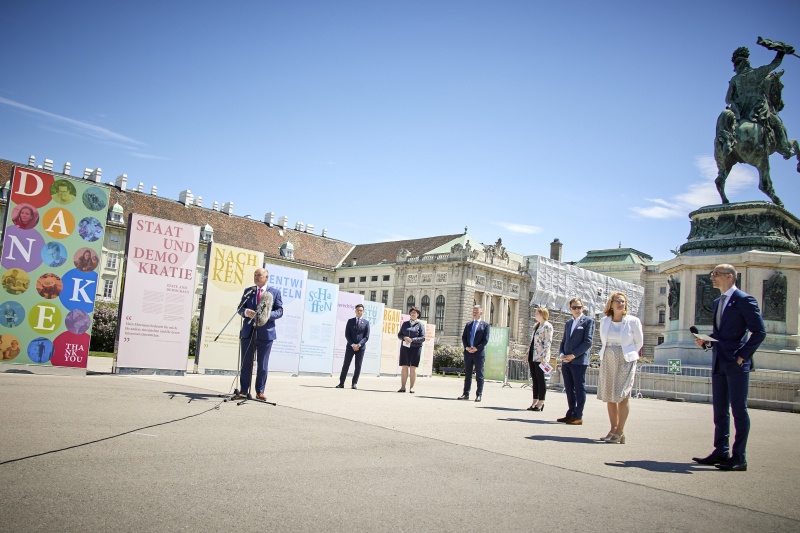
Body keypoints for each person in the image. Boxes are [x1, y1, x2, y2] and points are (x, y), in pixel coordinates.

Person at [693, 264, 765, 472]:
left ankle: (739, 457)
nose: (712, 278)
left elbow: (759, 332)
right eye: (712, 274)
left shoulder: (744, 300)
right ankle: (721, 451)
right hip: (718, 360)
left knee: (739, 410)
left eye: (715, 274)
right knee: (720, 411)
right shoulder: (718, 302)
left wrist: (744, 355)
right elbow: (721, 334)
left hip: (736, 363)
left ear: (730, 277)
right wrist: (707, 342)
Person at [596, 292, 643, 444]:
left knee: (622, 395)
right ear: (611, 304)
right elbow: (603, 340)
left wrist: (629, 354)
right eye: (617, 301)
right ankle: (613, 429)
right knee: (610, 395)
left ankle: (620, 430)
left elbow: (639, 342)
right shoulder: (605, 321)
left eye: (622, 301)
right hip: (608, 358)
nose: (620, 304)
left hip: (625, 360)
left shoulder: (632, 321)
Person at [236, 268, 284, 401]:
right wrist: (246, 312)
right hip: (248, 332)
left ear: (266, 277)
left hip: (266, 334)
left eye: (259, 275)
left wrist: (267, 315)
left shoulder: (274, 292)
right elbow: (240, 309)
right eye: (255, 275)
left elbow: (280, 311)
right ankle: (244, 390)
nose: (257, 277)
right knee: (246, 363)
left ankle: (260, 391)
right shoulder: (249, 291)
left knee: (262, 364)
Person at [557, 297, 595, 425]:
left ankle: (578, 415)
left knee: (579, 388)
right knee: (569, 388)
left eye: (579, 307)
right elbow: (564, 341)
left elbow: (588, 342)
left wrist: (573, 355)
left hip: (579, 361)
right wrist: (562, 354)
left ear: (583, 308)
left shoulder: (588, 321)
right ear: (570, 309)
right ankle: (571, 413)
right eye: (574, 307)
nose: (577, 310)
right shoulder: (568, 323)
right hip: (566, 360)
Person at [458, 305, 491, 402]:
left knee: (479, 375)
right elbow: (464, 337)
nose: (474, 313)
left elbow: (485, 340)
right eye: (473, 311)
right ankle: (465, 394)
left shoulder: (485, 325)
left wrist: (476, 348)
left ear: (481, 313)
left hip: (478, 353)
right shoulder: (468, 324)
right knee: (467, 374)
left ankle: (479, 395)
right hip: (468, 352)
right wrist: (467, 347)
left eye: (476, 311)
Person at [336, 303, 370, 389]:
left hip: (361, 348)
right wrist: (352, 344)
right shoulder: (350, 321)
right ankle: (341, 383)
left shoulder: (366, 323)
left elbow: (366, 337)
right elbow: (347, 334)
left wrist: (359, 345)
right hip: (350, 347)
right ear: (355, 311)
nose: (359, 312)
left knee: (358, 366)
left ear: (363, 312)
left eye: (361, 310)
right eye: (358, 310)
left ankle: (354, 383)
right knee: (346, 364)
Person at [526, 307, 553, 411]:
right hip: (533, 355)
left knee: (540, 379)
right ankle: (534, 400)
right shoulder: (537, 326)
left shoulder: (547, 326)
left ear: (542, 314)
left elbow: (548, 342)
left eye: (537, 313)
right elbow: (532, 342)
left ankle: (541, 402)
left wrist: (545, 357)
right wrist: (528, 354)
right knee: (535, 379)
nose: (535, 314)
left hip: (541, 357)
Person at [397, 306, 425, 393]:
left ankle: (412, 387)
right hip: (405, 347)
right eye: (412, 312)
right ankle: (402, 387)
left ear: (418, 315)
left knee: (413, 368)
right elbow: (399, 335)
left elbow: (423, 338)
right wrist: (404, 337)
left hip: (416, 348)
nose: (413, 314)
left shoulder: (420, 325)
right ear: (410, 314)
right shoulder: (405, 324)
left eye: (415, 313)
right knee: (404, 367)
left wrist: (412, 340)